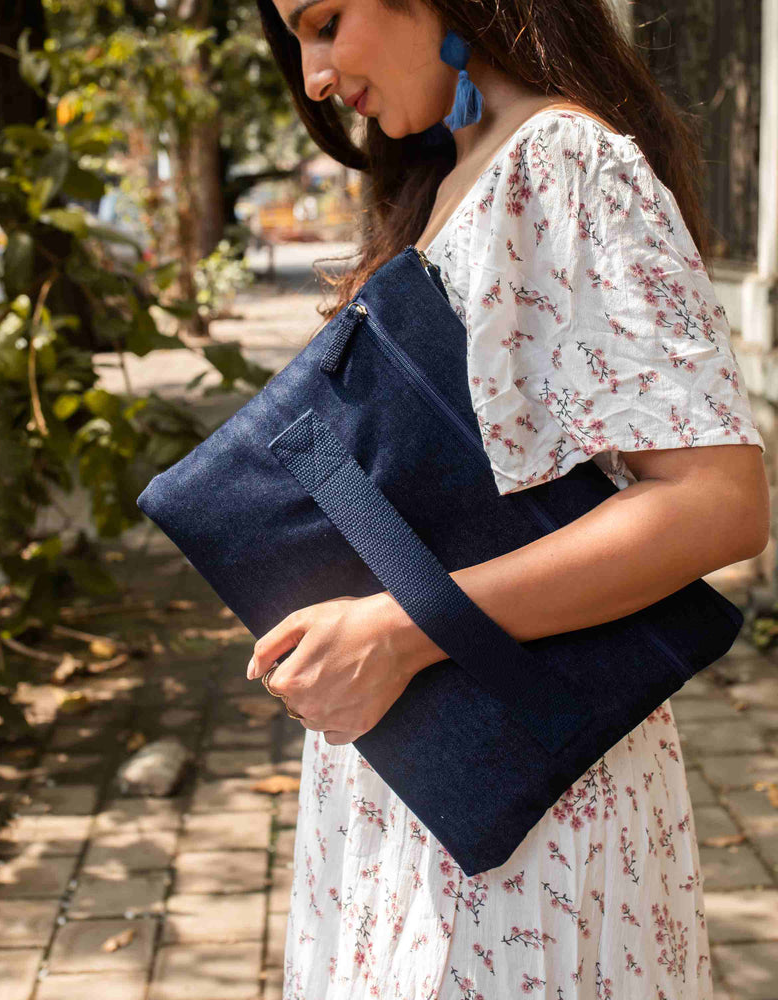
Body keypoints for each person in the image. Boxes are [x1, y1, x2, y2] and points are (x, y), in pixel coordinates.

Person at [247, 0, 771, 997]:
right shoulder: (446, 172)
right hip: (421, 768)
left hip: (522, 798)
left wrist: (404, 629)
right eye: (295, 42)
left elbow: (718, 500)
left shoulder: (567, 161)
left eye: (324, 21)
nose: (314, 75)